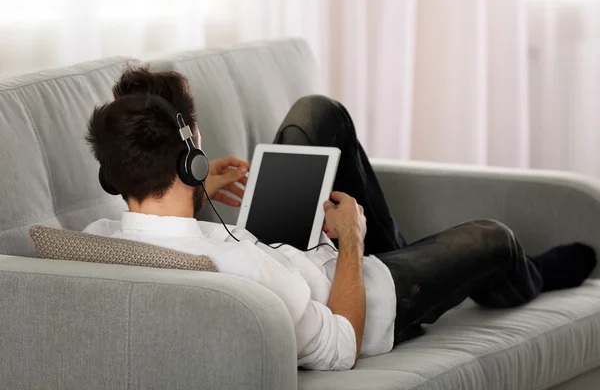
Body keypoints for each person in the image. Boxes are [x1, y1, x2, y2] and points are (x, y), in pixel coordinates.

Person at [83, 66, 597, 371]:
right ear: (188, 155)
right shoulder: (243, 278)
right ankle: (526, 274)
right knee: (494, 239)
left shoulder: (100, 239)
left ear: (116, 176)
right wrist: (352, 239)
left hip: (281, 250)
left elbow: (157, 213)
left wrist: (198, 189)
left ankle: (405, 246)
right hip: (362, 292)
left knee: (318, 112)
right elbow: (341, 346)